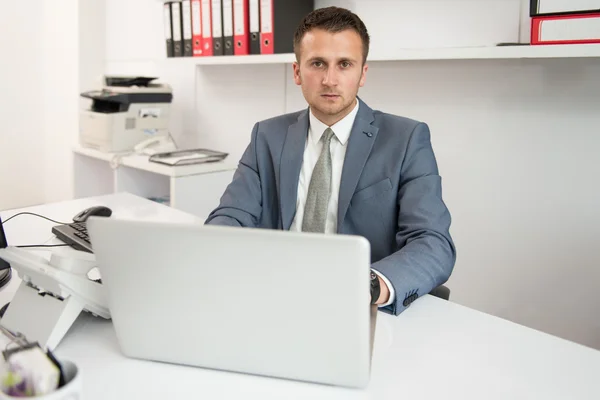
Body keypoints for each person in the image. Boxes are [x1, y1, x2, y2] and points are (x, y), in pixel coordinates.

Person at [205, 6, 456, 316]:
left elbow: (432, 242)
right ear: (297, 72)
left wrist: (369, 286)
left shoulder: (406, 139)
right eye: (318, 63)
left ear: (362, 74)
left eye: (345, 64)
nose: (329, 79)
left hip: (355, 305)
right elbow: (230, 216)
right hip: (274, 298)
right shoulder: (267, 136)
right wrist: (219, 256)